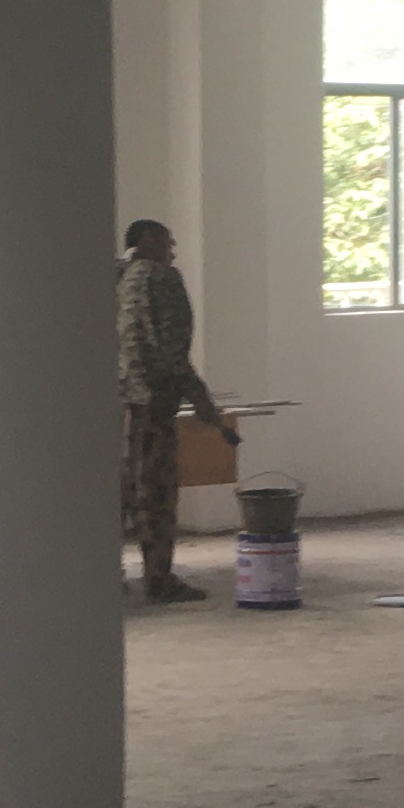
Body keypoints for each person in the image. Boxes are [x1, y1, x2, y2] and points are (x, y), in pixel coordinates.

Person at [117, 218, 231, 602]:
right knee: (156, 493)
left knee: (121, 491)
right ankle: (159, 579)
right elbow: (171, 352)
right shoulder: (163, 279)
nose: (174, 251)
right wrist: (202, 402)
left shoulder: (116, 276)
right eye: (169, 241)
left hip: (117, 403)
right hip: (153, 404)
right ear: (149, 239)